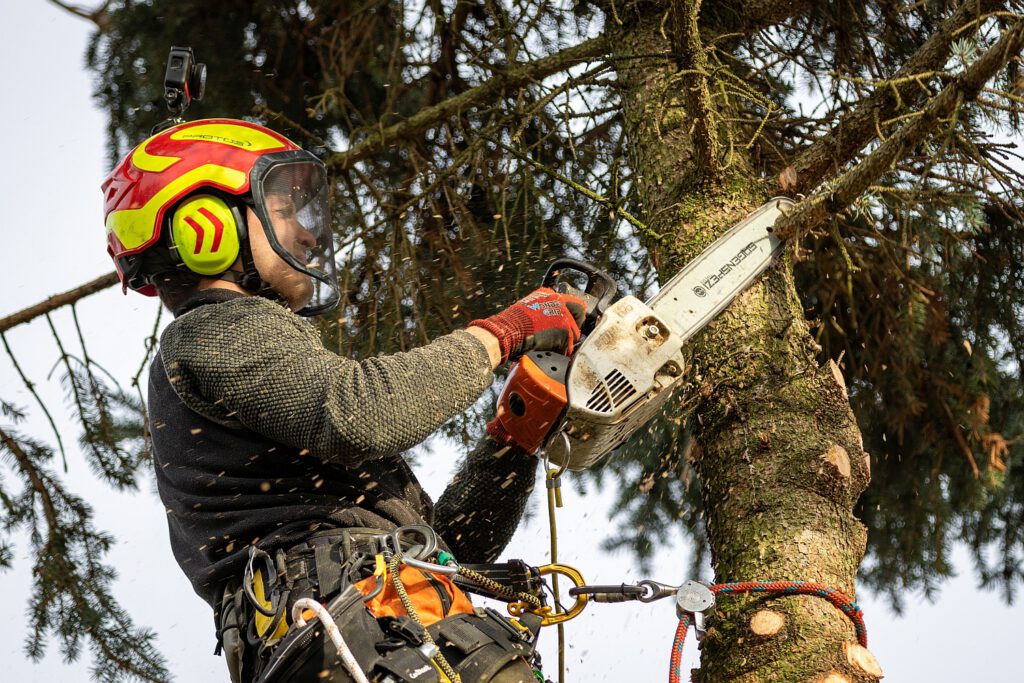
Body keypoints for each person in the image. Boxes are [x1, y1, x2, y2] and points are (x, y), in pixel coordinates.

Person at [102, 118, 586, 683]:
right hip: (363, 630)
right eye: (283, 211)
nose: (310, 235)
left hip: (379, 629)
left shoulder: (264, 392)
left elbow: (450, 546)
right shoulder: (210, 328)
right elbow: (361, 415)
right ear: (205, 228)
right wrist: (504, 332)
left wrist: (515, 437)